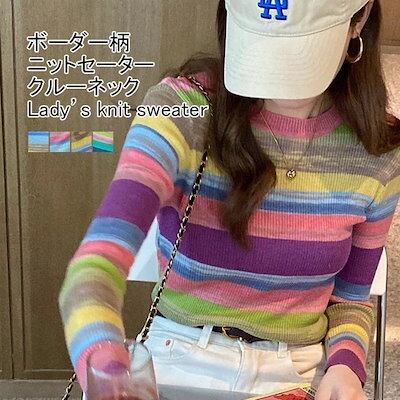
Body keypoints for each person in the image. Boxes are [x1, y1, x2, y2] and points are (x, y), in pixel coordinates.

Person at [58, 0, 400, 399]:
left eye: (301, 46)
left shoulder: (379, 150)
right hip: (179, 358)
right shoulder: (182, 109)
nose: (280, 75)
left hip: (296, 372)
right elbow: (95, 266)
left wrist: (345, 368)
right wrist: (103, 357)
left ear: (360, 18)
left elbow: (350, 299)